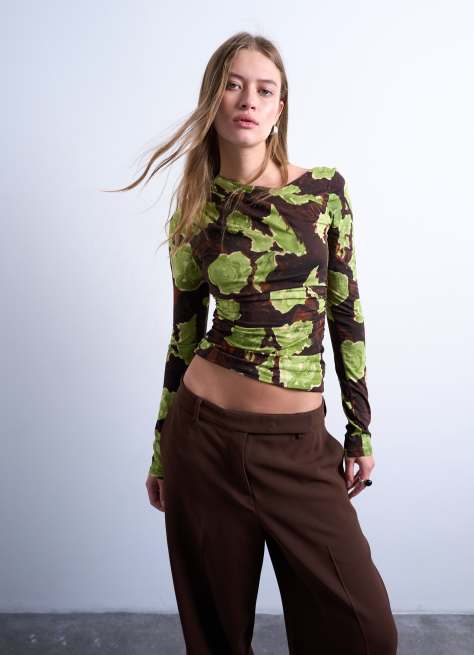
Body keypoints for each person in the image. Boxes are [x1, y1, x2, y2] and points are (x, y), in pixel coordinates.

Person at [120, 31, 397, 655]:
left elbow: (346, 311)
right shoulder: (194, 211)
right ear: (212, 100)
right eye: (233, 85)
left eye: (264, 89)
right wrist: (161, 451)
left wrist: (360, 429)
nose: (248, 99)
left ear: (279, 108)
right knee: (217, 639)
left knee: (365, 634)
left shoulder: (323, 193)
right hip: (203, 443)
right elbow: (183, 337)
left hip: (297, 447)